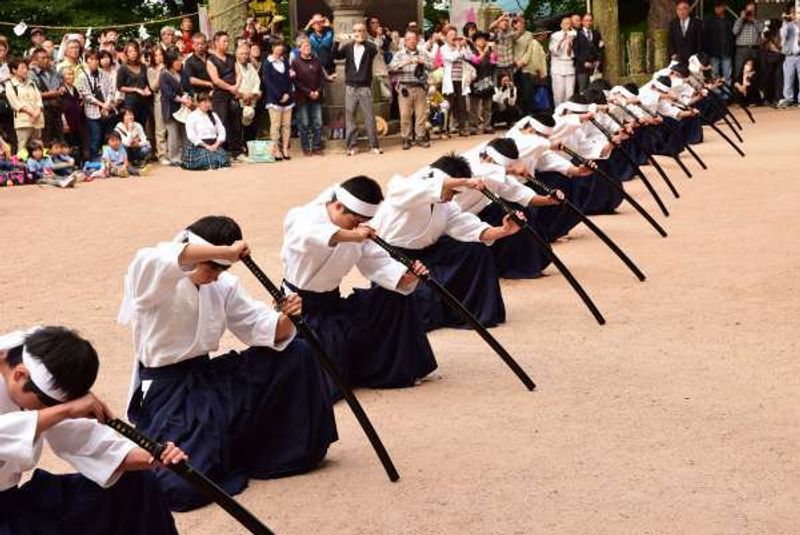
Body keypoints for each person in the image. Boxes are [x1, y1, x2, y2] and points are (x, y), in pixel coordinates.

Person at [117, 215, 337, 511]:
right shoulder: (151, 274)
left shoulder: (224, 285)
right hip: (166, 392)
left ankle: (280, 448)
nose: (217, 274)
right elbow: (164, 256)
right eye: (212, 266)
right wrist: (224, 253)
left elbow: (262, 327)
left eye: (223, 268)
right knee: (180, 486)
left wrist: (288, 316)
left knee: (297, 353)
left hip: (207, 377)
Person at [0, 326, 186, 534]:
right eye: (47, 405)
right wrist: (66, 410)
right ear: (19, 374)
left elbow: (86, 440)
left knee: (135, 482)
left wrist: (152, 456)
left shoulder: (38, 359)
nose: (50, 411)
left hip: (12, 506)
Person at [281, 176, 437, 398]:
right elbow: (311, 235)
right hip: (302, 310)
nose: (361, 226)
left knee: (393, 297)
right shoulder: (302, 216)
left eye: (364, 221)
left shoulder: (358, 232)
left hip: (333, 305)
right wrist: (354, 235)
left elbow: (379, 264)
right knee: (322, 376)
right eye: (356, 220)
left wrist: (408, 276)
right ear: (337, 206)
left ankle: (396, 366)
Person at [370, 153, 523, 331]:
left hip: (429, 253)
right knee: (418, 310)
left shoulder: (447, 206)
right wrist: (462, 182)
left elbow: (471, 228)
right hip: (395, 257)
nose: (452, 197)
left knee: (475, 250)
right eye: (452, 192)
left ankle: (474, 311)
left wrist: (504, 230)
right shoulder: (404, 188)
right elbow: (405, 190)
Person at [334, 22, 382, 156]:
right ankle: (351, 146)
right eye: (356, 31)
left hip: (365, 87)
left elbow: (375, 49)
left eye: (361, 31)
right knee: (350, 118)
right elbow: (336, 56)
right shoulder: (348, 47)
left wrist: (363, 40)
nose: (358, 33)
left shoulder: (370, 47)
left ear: (365, 32)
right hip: (350, 87)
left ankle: (374, 145)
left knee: (369, 117)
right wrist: (336, 43)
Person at [389, 28, 432, 150]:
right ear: (405, 41)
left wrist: (423, 63)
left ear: (418, 40)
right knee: (405, 115)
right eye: (409, 39)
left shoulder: (423, 53)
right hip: (405, 87)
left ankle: (420, 137)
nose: (412, 41)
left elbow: (432, 66)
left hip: (420, 87)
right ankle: (406, 138)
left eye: (414, 39)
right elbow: (391, 68)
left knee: (421, 115)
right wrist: (403, 63)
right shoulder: (399, 54)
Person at [207, 31, 245, 161]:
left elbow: (238, 73)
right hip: (220, 96)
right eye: (224, 41)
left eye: (228, 41)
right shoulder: (211, 60)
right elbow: (216, 80)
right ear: (216, 43)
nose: (227, 44)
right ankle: (223, 152)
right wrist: (230, 88)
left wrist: (236, 86)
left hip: (233, 95)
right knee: (222, 124)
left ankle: (237, 151)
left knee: (236, 123)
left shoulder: (232, 58)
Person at [78, 51, 116, 161]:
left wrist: (107, 104)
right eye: (91, 59)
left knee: (107, 136)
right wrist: (102, 105)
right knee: (95, 137)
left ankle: (108, 158)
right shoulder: (82, 76)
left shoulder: (104, 74)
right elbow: (87, 95)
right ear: (87, 61)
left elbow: (111, 90)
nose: (94, 62)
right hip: (92, 112)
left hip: (106, 110)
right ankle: (93, 159)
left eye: (96, 59)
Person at [292, 38, 326, 156]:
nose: (307, 48)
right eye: (305, 46)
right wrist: (308, 92)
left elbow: (322, 78)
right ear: (299, 48)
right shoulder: (295, 62)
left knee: (318, 123)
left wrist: (318, 91)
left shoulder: (316, 61)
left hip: (317, 96)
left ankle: (317, 146)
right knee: (304, 123)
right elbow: (295, 81)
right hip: (302, 97)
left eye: (309, 46)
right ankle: (306, 148)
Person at [4, 57, 44, 154]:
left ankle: (38, 167)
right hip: (23, 121)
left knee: (38, 145)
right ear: (14, 70)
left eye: (26, 68)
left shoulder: (32, 83)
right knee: (23, 146)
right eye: (22, 68)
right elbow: (15, 103)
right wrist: (31, 112)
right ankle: (21, 168)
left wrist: (37, 111)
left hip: (37, 119)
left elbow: (39, 99)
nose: (25, 70)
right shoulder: (10, 85)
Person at [262, 41, 294, 161]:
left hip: (287, 99)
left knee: (286, 125)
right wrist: (279, 95)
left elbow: (289, 79)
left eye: (282, 46)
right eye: (278, 46)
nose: (280, 48)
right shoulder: (267, 63)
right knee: (275, 125)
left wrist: (287, 94)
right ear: (273, 47)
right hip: (274, 100)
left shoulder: (285, 61)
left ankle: (285, 148)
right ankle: (276, 150)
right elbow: (268, 82)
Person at [439, 27, 473, 138]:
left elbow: (470, 57)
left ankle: (462, 128)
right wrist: (458, 48)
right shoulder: (443, 48)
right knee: (448, 105)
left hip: (461, 81)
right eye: (451, 35)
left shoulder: (461, 47)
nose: (454, 37)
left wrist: (465, 45)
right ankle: (445, 129)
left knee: (462, 105)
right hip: (450, 81)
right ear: (446, 37)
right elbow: (451, 58)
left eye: (455, 34)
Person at [183, 93, 230, 170]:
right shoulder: (191, 116)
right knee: (207, 160)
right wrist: (206, 146)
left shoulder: (214, 115)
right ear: (198, 103)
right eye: (204, 102)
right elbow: (191, 135)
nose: (207, 104)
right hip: (200, 146)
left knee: (223, 159)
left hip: (214, 145)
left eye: (209, 101)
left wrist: (216, 144)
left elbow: (221, 130)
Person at [160, 50, 190, 166]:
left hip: (184, 108)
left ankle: (187, 156)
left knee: (185, 133)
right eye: (177, 60)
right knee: (173, 133)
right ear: (170, 61)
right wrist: (182, 100)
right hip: (170, 108)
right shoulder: (164, 75)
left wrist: (188, 97)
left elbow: (188, 87)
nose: (179, 62)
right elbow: (168, 93)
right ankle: (174, 158)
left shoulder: (183, 73)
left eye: (180, 59)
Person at [513, 18, 548, 115]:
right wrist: (515, 61)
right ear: (514, 25)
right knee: (516, 92)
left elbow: (529, 50)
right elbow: (509, 49)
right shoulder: (511, 35)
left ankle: (526, 113)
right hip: (513, 65)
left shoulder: (529, 35)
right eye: (520, 23)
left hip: (526, 66)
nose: (522, 24)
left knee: (527, 92)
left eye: (523, 22)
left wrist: (522, 62)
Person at [30, 48, 63, 145]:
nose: (46, 60)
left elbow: (61, 84)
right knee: (46, 139)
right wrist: (52, 94)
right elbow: (33, 94)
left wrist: (61, 89)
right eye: (43, 58)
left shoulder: (54, 71)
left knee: (59, 139)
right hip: (43, 110)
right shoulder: (32, 74)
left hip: (57, 108)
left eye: (47, 57)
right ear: (35, 60)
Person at [117, 41, 152, 129]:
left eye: (135, 51)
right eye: (130, 51)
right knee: (131, 127)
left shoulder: (143, 66)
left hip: (144, 102)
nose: (133, 53)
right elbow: (120, 87)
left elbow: (147, 82)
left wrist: (147, 89)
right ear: (126, 54)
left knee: (142, 127)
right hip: (131, 103)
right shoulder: (123, 68)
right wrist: (135, 89)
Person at [468, 32, 497, 135]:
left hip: (487, 79)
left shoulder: (490, 52)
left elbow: (494, 63)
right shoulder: (471, 52)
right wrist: (484, 53)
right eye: (479, 39)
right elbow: (476, 61)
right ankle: (472, 126)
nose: (482, 41)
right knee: (474, 106)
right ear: (475, 41)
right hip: (475, 80)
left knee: (487, 106)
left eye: (484, 39)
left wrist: (494, 51)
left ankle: (487, 125)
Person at [703, 0, 735, 85]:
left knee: (727, 75)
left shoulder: (730, 20)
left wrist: (731, 48)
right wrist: (707, 50)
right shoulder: (709, 20)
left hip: (726, 51)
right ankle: (716, 93)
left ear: (724, 7)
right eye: (716, 7)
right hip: (713, 51)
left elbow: (733, 35)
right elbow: (706, 36)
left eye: (720, 7)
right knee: (714, 75)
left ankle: (727, 94)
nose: (718, 9)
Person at [234, 43, 260, 146]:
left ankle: (250, 148)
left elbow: (257, 82)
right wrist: (243, 95)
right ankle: (239, 148)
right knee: (239, 128)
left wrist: (252, 94)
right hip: (238, 101)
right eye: (241, 54)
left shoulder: (250, 66)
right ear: (236, 55)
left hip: (252, 100)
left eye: (246, 54)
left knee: (251, 128)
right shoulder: (234, 66)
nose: (244, 56)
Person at [60, 67, 87, 160]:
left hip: (77, 120)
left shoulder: (75, 89)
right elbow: (61, 106)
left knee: (78, 142)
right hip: (67, 120)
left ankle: (79, 162)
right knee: (68, 142)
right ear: (63, 77)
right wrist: (64, 121)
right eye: (67, 74)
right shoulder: (61, 89)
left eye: (71, 74)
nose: (70, 76)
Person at [733, 2, 764, 80]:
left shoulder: (758, 20)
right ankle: (739, 89)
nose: (750, 12)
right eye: (748, 10)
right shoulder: (739, 20)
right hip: (742, 50)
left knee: (755, 72)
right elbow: (734, 31)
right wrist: (742, 18)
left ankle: (753, 90)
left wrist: (753, 19)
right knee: (739, 71)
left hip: (754, 49)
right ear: (745, 10)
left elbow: (762, 28)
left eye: (752, 10)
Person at [550, 16, 577, 106]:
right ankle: (558, 112)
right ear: (561, 25)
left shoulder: (574, 34)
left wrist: (569, 44)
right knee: (559, 91)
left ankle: (569, 111)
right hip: (557, 65)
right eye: (565, 23)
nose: (567, 25)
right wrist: (562, 40)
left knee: (569, 92)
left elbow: (571, 53)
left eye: (569, 23)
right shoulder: (555, 35)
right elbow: (554, 51)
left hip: (569, 65)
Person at [573, 13, 604, 92]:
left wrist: (598, 61)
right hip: (582, 67)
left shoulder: (597, 34)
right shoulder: (577, 34)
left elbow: (600, 49)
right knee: (583, 90)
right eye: (586, 21)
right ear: (582, 22)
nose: (588, 23)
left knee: (595, 89)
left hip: (594, 67)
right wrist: (584, 63)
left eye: (590, 21)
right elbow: (576, 52)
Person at [778, 4, 800, 107]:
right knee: (788, 78)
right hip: (789, 55)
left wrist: (798, 22)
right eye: (791, 12)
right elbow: (783, 35)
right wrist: (785, 22)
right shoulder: (787, 24)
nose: (793, 14)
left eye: (795, 11)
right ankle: (788, 98)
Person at [0, 36, 16, 152]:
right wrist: (5, 79)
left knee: (11, 128)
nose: (1, 53)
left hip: (11, 95)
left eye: (2, 50)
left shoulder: (10, 63)